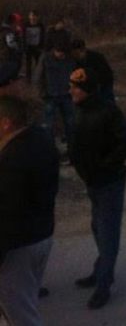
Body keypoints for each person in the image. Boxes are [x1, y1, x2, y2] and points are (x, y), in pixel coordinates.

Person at [68, 67, 126, 310]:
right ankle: (101, 270)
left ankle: (104, 284)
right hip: (92, 182)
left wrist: (104, 164)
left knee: (107, 233)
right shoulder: (79, 109)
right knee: (97, 227)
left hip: (109, 181)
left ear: (86, 90)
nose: (71, 91)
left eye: (75, 88)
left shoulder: (107, 110)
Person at [0, 95, 59, 326]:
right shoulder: (40, 139)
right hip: (41, 234)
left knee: (21, 316)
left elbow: (7, 213)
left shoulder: (12, 160)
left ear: (6, 123)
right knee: (24, 303)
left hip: (18, 248)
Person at [34, 41, 76, 147]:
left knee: (70, 122)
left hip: (66, 94)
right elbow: (38, 76)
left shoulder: (69, 60)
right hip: (50, 95)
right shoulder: (46, 59)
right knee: (48, 124)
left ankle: (72, 146)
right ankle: (49, 147)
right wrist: (41, 92)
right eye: (60, 54)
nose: (62, 56)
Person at [71, 38, 115, 103]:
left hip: (103, 84)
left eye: (75, 52)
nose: (74, 55)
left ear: (82, 50)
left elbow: (105, 73)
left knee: (107, 101)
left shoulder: (96, 57)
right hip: (90, 87)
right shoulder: (76, 61)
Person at [23, 11, 46, 80]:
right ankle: (28, 78)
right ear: (29, 16)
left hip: (37, 47)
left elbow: (43, 36)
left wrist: (42, 46)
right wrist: (24, 46)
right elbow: (23, 36)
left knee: (38, 63)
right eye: (31, 15)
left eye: (35, 16)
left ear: (37, 17)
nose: (33, 17)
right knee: (28, 64)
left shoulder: (40, 26)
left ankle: (39, 78)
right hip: (28, 47)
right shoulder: (26, 25)